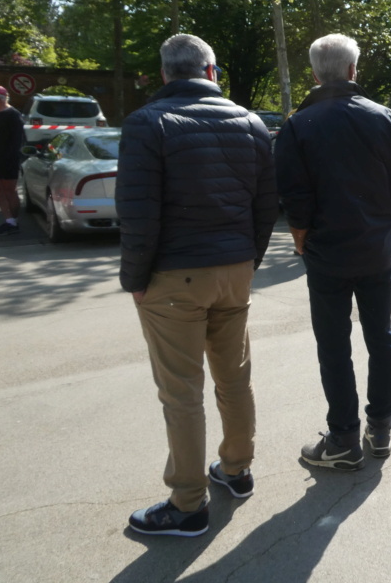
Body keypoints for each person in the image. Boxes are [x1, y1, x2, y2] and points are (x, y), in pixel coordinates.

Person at [116, 34, 278, 537]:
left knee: (181, 394)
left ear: (167, 74)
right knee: (235, 379)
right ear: (211, 72)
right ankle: (236, 469)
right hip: (234, 271)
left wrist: (135, 279)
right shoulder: (251, 122)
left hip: (174, 278)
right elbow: (265, 204)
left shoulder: (147, 123)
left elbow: (137, 213)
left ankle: (188, 505)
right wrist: (248, 259)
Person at [275, 33, 391, 472]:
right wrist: (384, 226)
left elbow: (294, 198)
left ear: (315, 74)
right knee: (381, 336)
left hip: (326, 254)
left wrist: (301, 240)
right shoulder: (389, 119)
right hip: (376, 252)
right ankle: (380, 427)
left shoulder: (299, 126)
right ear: (353, 70)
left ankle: (342, 438)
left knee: (334, 346)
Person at [0, 85, 25, 236]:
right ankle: (8, 220)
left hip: (8, 159)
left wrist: (9, 157)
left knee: (10, 190)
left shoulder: (13, 115)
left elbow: (18, 140)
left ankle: (14, 222)